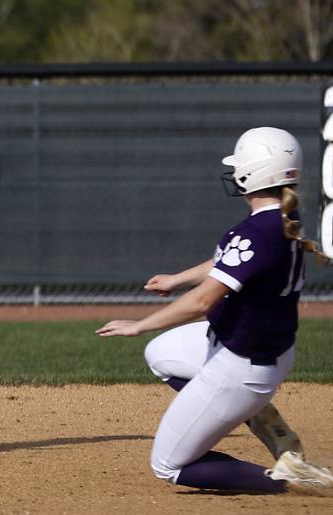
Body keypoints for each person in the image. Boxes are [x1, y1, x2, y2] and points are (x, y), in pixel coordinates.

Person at [97, 127, 333, 493]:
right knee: (160, 353)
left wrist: (139, 324)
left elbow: (203, 302)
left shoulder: (256, 232)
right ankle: (258, 415)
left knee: (168, 466)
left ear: (250, 174)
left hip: (242, 368)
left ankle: (285, 480)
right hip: (258, 351)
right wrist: (178, 279)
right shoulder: (283, 219)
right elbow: (230, 262)